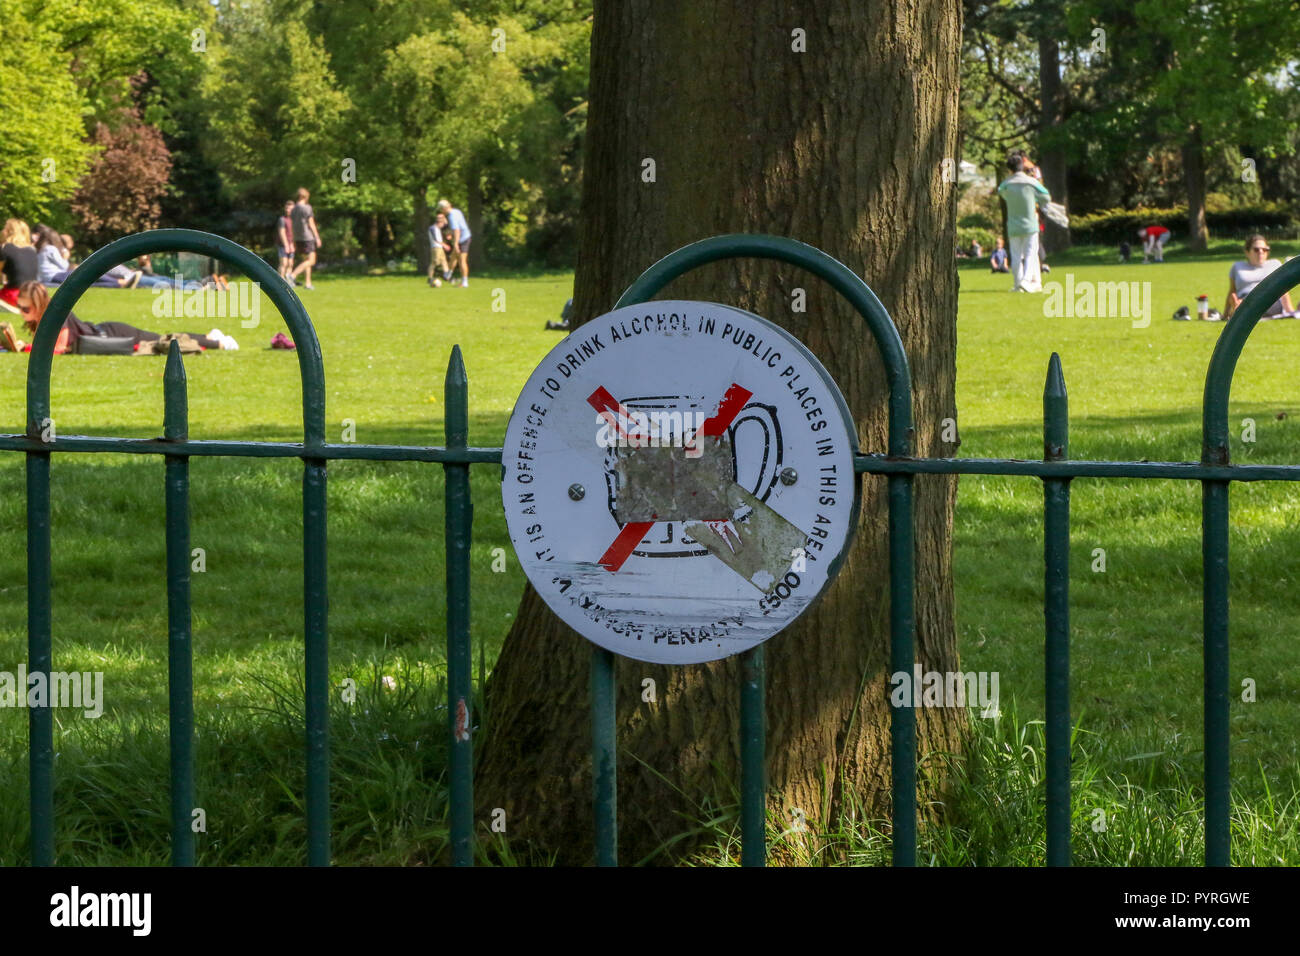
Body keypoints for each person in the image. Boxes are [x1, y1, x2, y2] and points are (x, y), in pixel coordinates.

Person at [13, 281, 237, 354]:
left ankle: (218, 342)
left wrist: (26, 348)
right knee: (161, 339)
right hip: (105, 334)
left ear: (39, 305)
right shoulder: (42, 319)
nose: (22, 313)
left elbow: (60, 348)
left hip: (112, 334)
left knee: (163, 340)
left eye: (25, 309)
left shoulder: (57, 315)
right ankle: (212, 336)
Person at [997, 151, 1051, 292]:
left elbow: (1001, 192)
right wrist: (1035, 201)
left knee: (1016, 256)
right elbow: (1046, 196)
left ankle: (1018, 284)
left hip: (1013, 225)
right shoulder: (1031, 182)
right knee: (1030, 253)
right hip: (1030, 224)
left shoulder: (1005, 184)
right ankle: (1026, 281)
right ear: (1022, 166)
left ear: (1010, 169)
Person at [1224, 235, 1295, 320]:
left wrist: (1290, 311)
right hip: (1245, 299)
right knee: (1240, 302)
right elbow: (1232, 291)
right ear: (1247, 252)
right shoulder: (1237, 267)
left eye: (1265, 249)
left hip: (1270, 300)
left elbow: (1283, 290)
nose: (1261, 252)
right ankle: (1237, 309)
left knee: (1247, 305)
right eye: (1256, 250)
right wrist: (1225, 314)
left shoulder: (1275, 264)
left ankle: (1238, 311)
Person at [2, 219, 39, 310]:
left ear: (8, 232)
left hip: (14, 296)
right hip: (33, 295)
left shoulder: (5, 248)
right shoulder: (32, 250)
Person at [289, 188, 322, 289]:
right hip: (307, 237)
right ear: (305, 196)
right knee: (312, 261)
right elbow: (311, 224)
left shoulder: (293, 209)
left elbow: (293, 225)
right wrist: (317, 237)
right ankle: (292, 275)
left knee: (306, 261)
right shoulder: (307, 208)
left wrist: (294, 239)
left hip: (298, 238)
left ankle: (308, 283)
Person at [436, 199, 471, 287]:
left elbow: (457, 230)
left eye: (441, 209)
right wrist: (451, 234)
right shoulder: (456, 211)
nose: (441, 211)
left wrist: (455, 244)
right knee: (453, 257)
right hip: (464, 236)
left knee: (462, 260)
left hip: (463, 239)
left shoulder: (451, 216)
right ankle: (448, 274)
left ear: (443, 208)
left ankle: (464, 283)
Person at [427, 212, 455, 287]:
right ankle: (430, 278)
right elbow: (436, 239)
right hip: (436, 247)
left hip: (440, 247)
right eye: (441, 223)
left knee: (444, 262)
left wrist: (444, 219)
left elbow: (446, 224)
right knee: (435, 263)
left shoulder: (438, 227)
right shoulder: (433, 228)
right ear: (438, 222)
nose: (443, 225)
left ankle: (447, 277)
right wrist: (445, 245)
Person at [276, 200, 295, 280]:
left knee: (290, 263)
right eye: (287, 208)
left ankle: (288, 281)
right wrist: (286, 245)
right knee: (284, 263)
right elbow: (282, 233)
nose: (288, 210)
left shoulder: (294, 220)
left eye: (290, 208)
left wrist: (292, 244)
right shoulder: (282, 219)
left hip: (291, 244)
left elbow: (294, 234)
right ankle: (280, 280)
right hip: (282, 244)